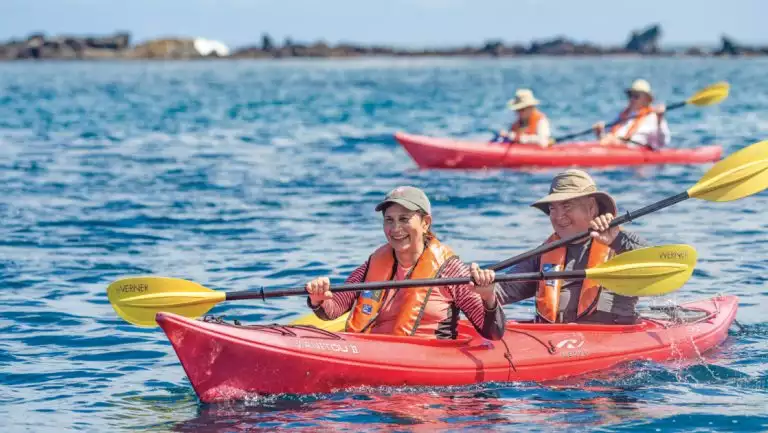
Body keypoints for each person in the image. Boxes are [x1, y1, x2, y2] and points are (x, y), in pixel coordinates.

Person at [305, 186, 505, 340]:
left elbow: (493, 332)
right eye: (389, 220)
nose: (395, 228)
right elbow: (334, 309)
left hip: (428, 371)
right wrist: (318, 299)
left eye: (404, 219)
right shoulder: (373, 264)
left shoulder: (451, 270)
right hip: (373, 354)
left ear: (425, 223)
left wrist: (488, 296)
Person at [474, 169, 648, 324]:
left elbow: (653, 269)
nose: (558, 217)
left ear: (592, 208)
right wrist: (485, 289)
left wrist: (617, 239)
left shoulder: (619, 243)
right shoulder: (544, 252)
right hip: (556, 342)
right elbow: (505, 290)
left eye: (566, 206)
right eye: (552, 208)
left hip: (608, 341)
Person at [593, 79, 671, 150]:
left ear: (646, 99)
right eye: (630, 95)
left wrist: (659, 119)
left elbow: (662, 142)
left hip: (635, 154)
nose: (632, 99)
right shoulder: (623, 115)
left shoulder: (653, 117)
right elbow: (606, 139)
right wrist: (600, 133)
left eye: (636, 96)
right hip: (616, 150)